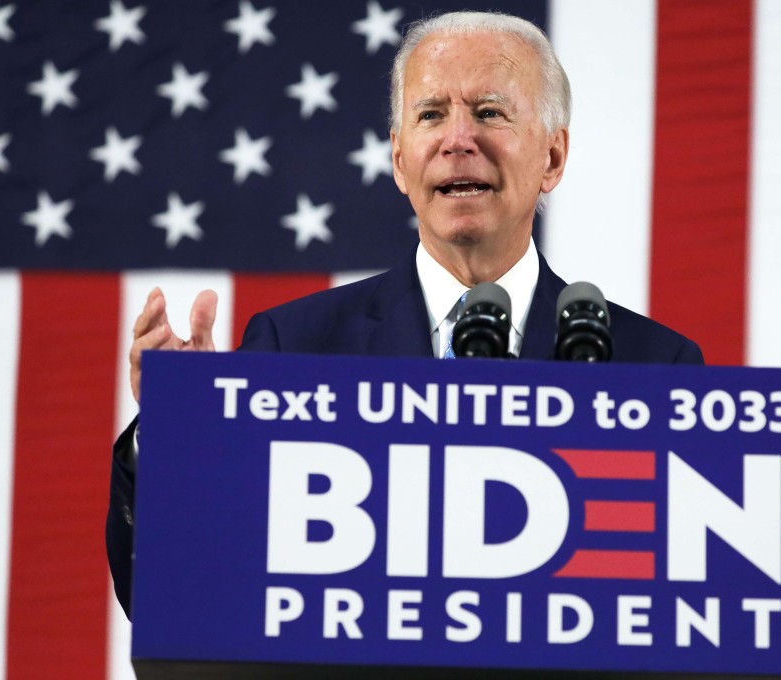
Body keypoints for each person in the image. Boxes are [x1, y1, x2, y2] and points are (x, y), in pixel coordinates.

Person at [107, 10, 704, 619]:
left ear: (553, 157)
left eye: (489, 112)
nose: (457, 140)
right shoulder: (295, 349)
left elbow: (681, 602)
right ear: (399, 160)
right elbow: (176, 591)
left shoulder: (654, 364)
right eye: (431, 115)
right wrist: (181, 436)